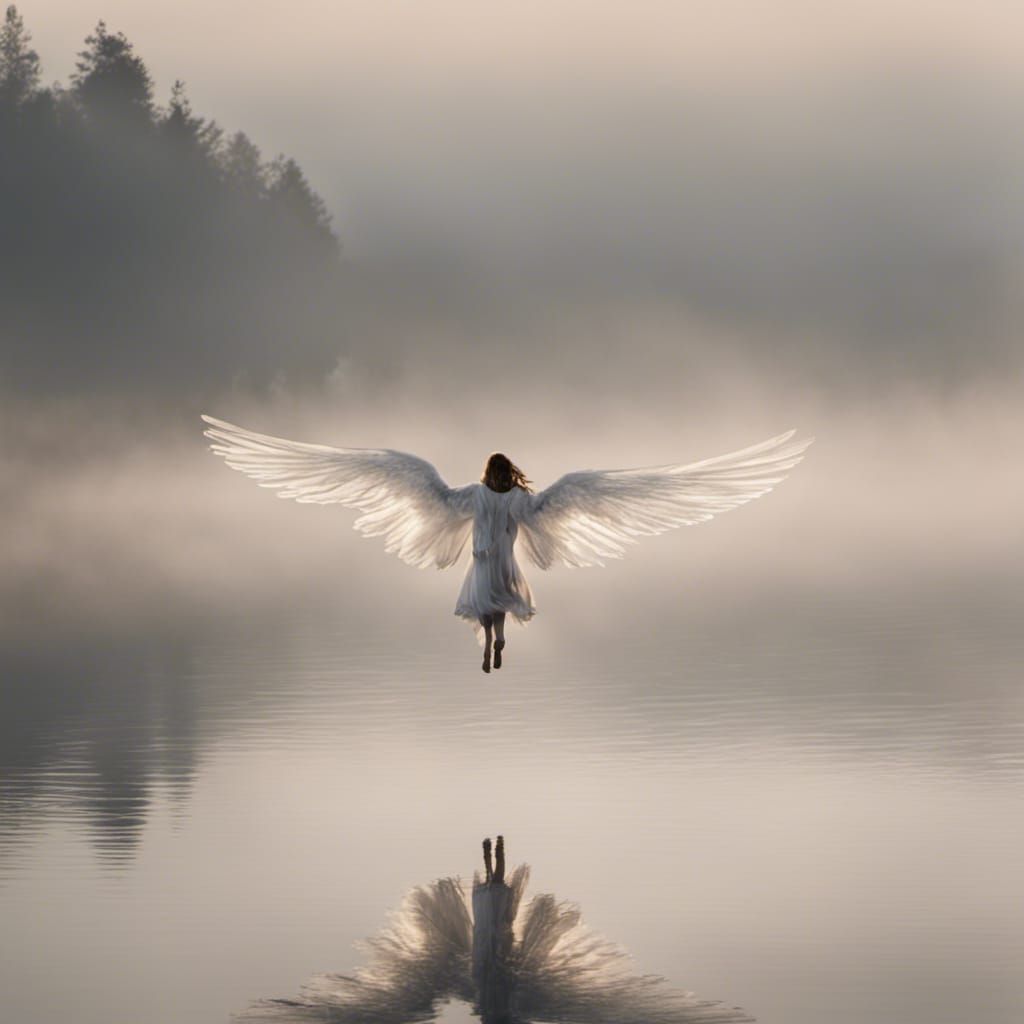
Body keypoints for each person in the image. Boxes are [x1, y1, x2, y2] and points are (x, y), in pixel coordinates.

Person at [455, 455, 535, 673]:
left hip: (482, 554)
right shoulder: (516, 495)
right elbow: (530, 511)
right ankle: (500, 638)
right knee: (500, 596)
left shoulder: (477, 492)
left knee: (482, 597)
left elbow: (451, 502)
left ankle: (489, 639)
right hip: (503, 555)